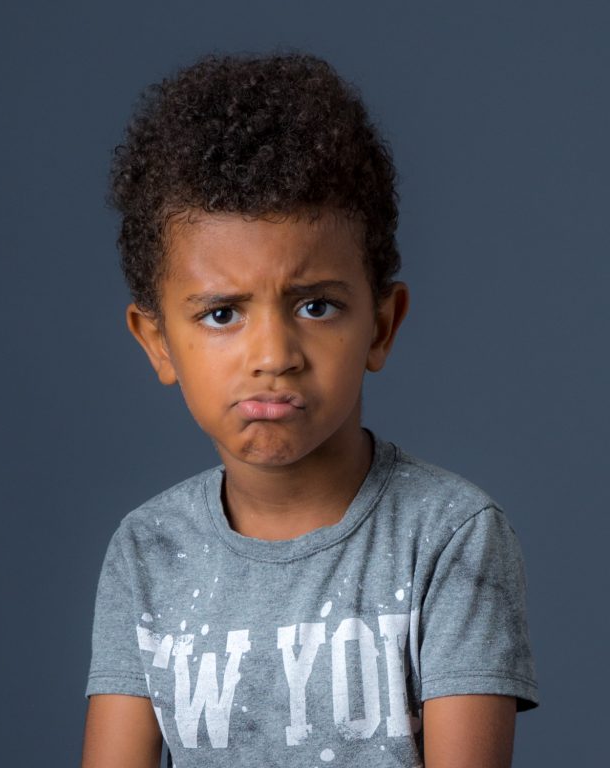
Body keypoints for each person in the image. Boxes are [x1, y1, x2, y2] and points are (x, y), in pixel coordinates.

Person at [81, 53, 538, 768]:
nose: (274, 353)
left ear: (382, 326)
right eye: (223, 313)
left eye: (315, 305)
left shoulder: (448, 537)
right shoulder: (148, 553)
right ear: (158, 342)